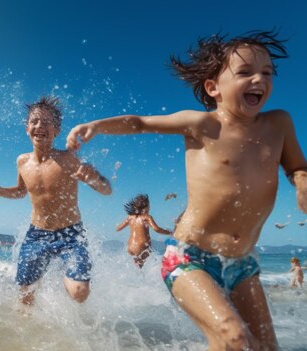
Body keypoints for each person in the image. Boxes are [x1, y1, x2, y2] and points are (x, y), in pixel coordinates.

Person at [66, 31, 307, 350]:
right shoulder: (201, 124)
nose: (258, 79)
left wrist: (302, 183)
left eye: (266, 72)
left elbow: (296, 167)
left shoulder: (279, 124)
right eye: (245, 72)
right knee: (233, 336)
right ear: (213, 87)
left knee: (264, 346)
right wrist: (97, 126)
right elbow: (140, 122)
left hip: (243, 264)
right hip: (189, 257)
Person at [0, 96, 112, 305]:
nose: (39, 126)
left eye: (46, 122)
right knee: (25, 296)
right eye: (34, 121)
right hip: (37, 234)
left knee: (79, 292)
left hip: (70, 234)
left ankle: (64, 273)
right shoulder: (22, 161)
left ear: (57, 130)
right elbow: (20, 192)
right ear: (27, 128)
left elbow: (106, 190)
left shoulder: (68, 159)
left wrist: (94, 178)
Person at [115, 194, 172, 268]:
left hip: (130, 247)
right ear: (146, 207)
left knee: (137, 267)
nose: (149, 208)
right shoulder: (147, 217)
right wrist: (169, 232)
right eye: (149, 206)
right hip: (141, 247)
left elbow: (118, 228)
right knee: (144, 267)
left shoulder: (130, 217)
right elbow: (156, 229)